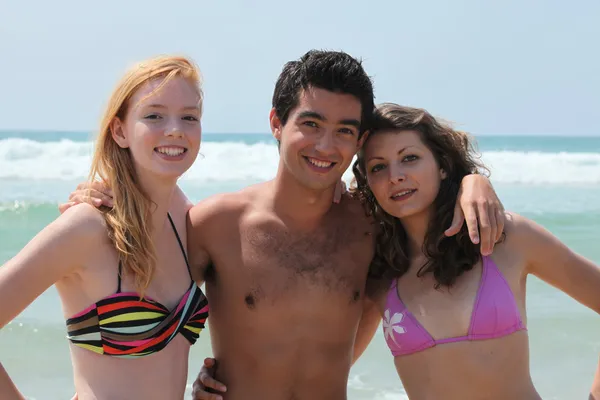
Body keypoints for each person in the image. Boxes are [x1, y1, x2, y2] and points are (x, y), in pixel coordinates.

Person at [63, 50, 504, 400]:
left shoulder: (371, 225)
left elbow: (424, 195)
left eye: (344, 131)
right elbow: (147, 303)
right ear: (276, 123)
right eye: (310, 124)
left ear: (359, 140)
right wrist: (108, 193)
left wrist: (473, 180)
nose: (325, 146)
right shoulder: (214, 224)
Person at [348, 103, 600, 399]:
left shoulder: (506, 237)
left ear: (442, 166)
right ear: (368, 182)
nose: (395, 176)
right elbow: (327, 368)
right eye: (379, 167)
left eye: (410, 158)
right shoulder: (379, 273)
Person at [0, 55, 209, 400]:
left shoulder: (184, 216)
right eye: (154, 115)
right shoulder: (86, 226)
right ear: (120, 130)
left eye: (189, 117)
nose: (175, 129)